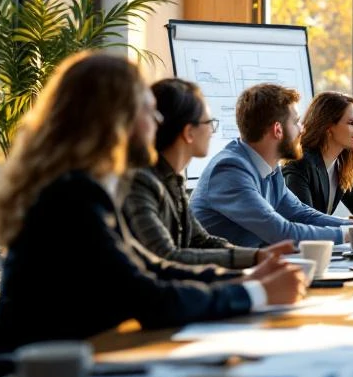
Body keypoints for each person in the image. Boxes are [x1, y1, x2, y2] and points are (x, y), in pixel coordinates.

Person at [0, 53, 306, 354]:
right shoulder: (72, 195)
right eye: (148, 109)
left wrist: (246, 278)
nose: (157, 120)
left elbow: (152, 267)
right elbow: (147, 297)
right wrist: (256, 292)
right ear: (116, 119)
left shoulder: (82, 187)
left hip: (68, 366)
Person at [191, 83, 353, 246]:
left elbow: (300, 213)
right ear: (278, 130)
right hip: (221, 283)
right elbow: (281, 231)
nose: (303, 129)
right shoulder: (230, 170)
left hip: (256, 271)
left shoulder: (269, 169)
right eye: (296, 122)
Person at [123, 78, 295, 268]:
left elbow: (201, 241)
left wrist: (259, 256)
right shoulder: (141, 182)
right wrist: (255, 259)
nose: (212, 132)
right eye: (208, 123)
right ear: (189, 132)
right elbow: (167, 257)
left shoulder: (173, 180)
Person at [283, 92, 353, 226]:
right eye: (351, 123)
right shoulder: (300, 164)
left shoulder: (339, 166)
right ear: (328, 127)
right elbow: (305, 220)